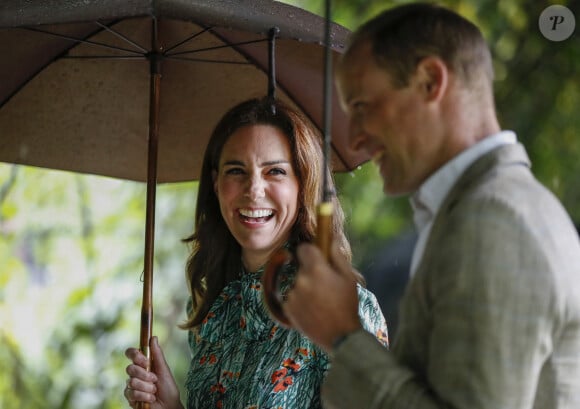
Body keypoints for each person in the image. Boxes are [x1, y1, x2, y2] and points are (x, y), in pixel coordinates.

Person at [281, 3, 580, 409]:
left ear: (429, 81)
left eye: (363, 108)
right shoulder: (487, 210)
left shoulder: (493, 222)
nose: (355, 142)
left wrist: (345, 336)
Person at [123, 97, 389, 409]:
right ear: (216, 183)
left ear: (303, 184)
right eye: (236, 170)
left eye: (274, 171)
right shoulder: (214, 314)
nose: (253, 190)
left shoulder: (346, 311)